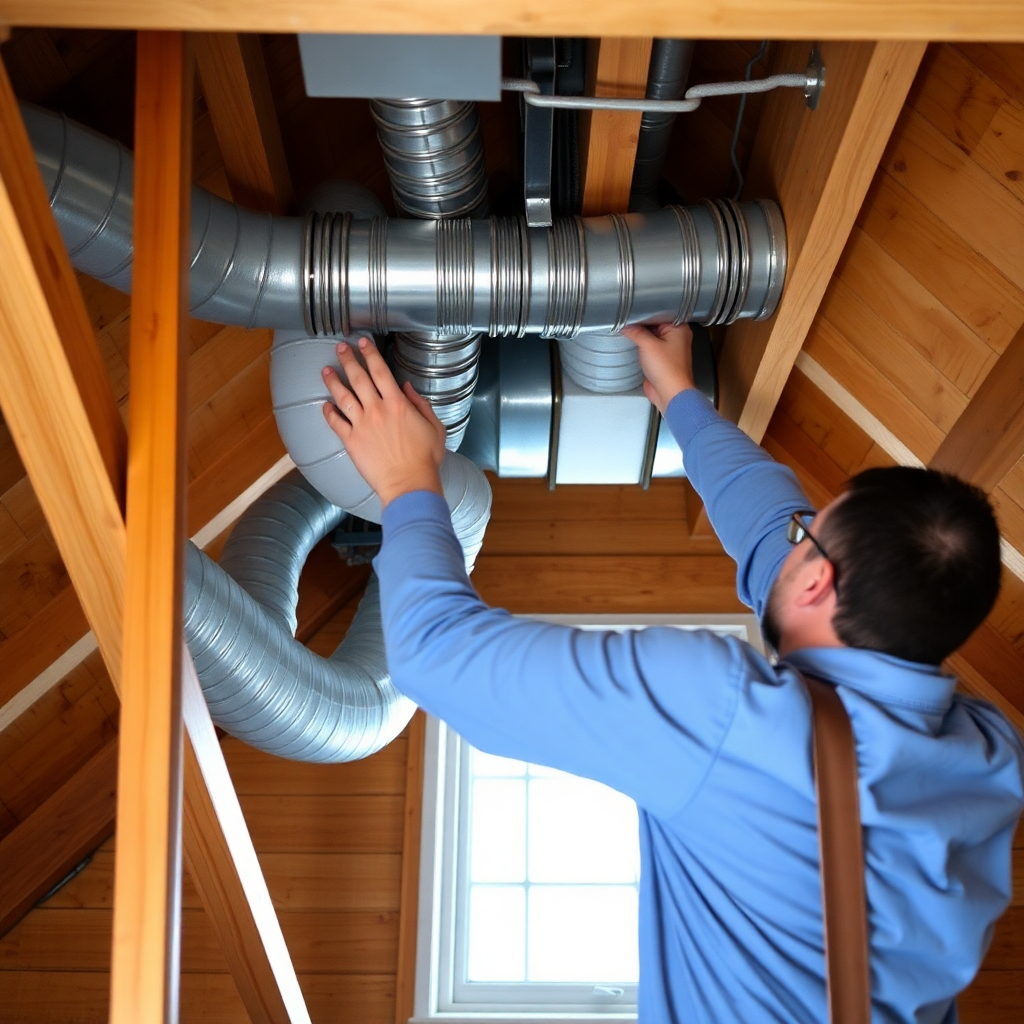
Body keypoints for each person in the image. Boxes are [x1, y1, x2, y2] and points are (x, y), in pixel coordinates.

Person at [321, 324, 1024, 1024]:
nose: (794, 531)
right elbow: (775, 534)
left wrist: (406, 482)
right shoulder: (991, 756)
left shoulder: (723, 715)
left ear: (817, 584)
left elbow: (437, 654)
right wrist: (683, 400)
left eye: (809, 535)